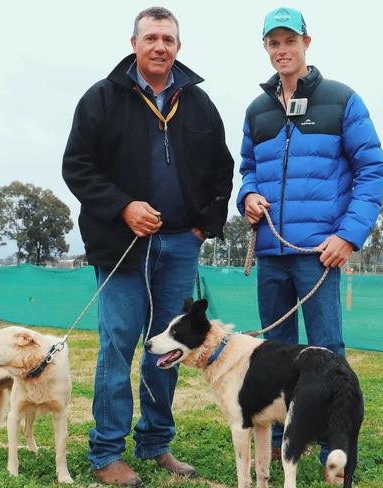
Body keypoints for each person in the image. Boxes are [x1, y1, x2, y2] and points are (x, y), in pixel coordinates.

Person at [62, 7, 233, 486]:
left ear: (179, 47)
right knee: (117, 346)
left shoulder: (198, 103)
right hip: (122, 245)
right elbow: (77, 167)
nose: (160, 46)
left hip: (180, 246)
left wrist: (204, 226)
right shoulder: (102, 98)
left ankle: (156, 444)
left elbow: (222, 169)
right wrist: (123, 207)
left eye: (169, 39)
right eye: (152, 37)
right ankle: (106, 454)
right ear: (134, 42)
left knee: (167, 349)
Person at [237, 6, 383, 476]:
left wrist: (348, 235)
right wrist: (248, 196)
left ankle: (335, 452)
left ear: (307, 43)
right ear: (266, 48)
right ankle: (284, 446)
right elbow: (248, 170)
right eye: (273, 43)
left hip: (319, 255)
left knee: (326, 355)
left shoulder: (342, 100)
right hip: (271, 254)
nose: (282, 50)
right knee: (273, 357)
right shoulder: (257, 110)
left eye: (290, 41)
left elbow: (371, 170)